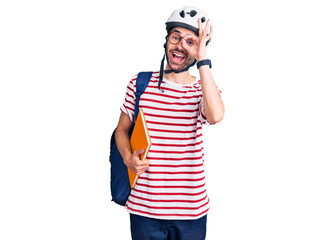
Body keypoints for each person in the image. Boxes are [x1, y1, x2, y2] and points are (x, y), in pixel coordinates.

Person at [115, 6, 225, 240]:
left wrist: (202, 57)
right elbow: (122, 129)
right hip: (144, 208)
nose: (181, 46)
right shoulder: (140, 83)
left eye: (191, 42)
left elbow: (215, 116)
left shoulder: (201, 90)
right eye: (176, 37)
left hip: (191, 211)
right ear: (166, 41)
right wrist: (127, 158)